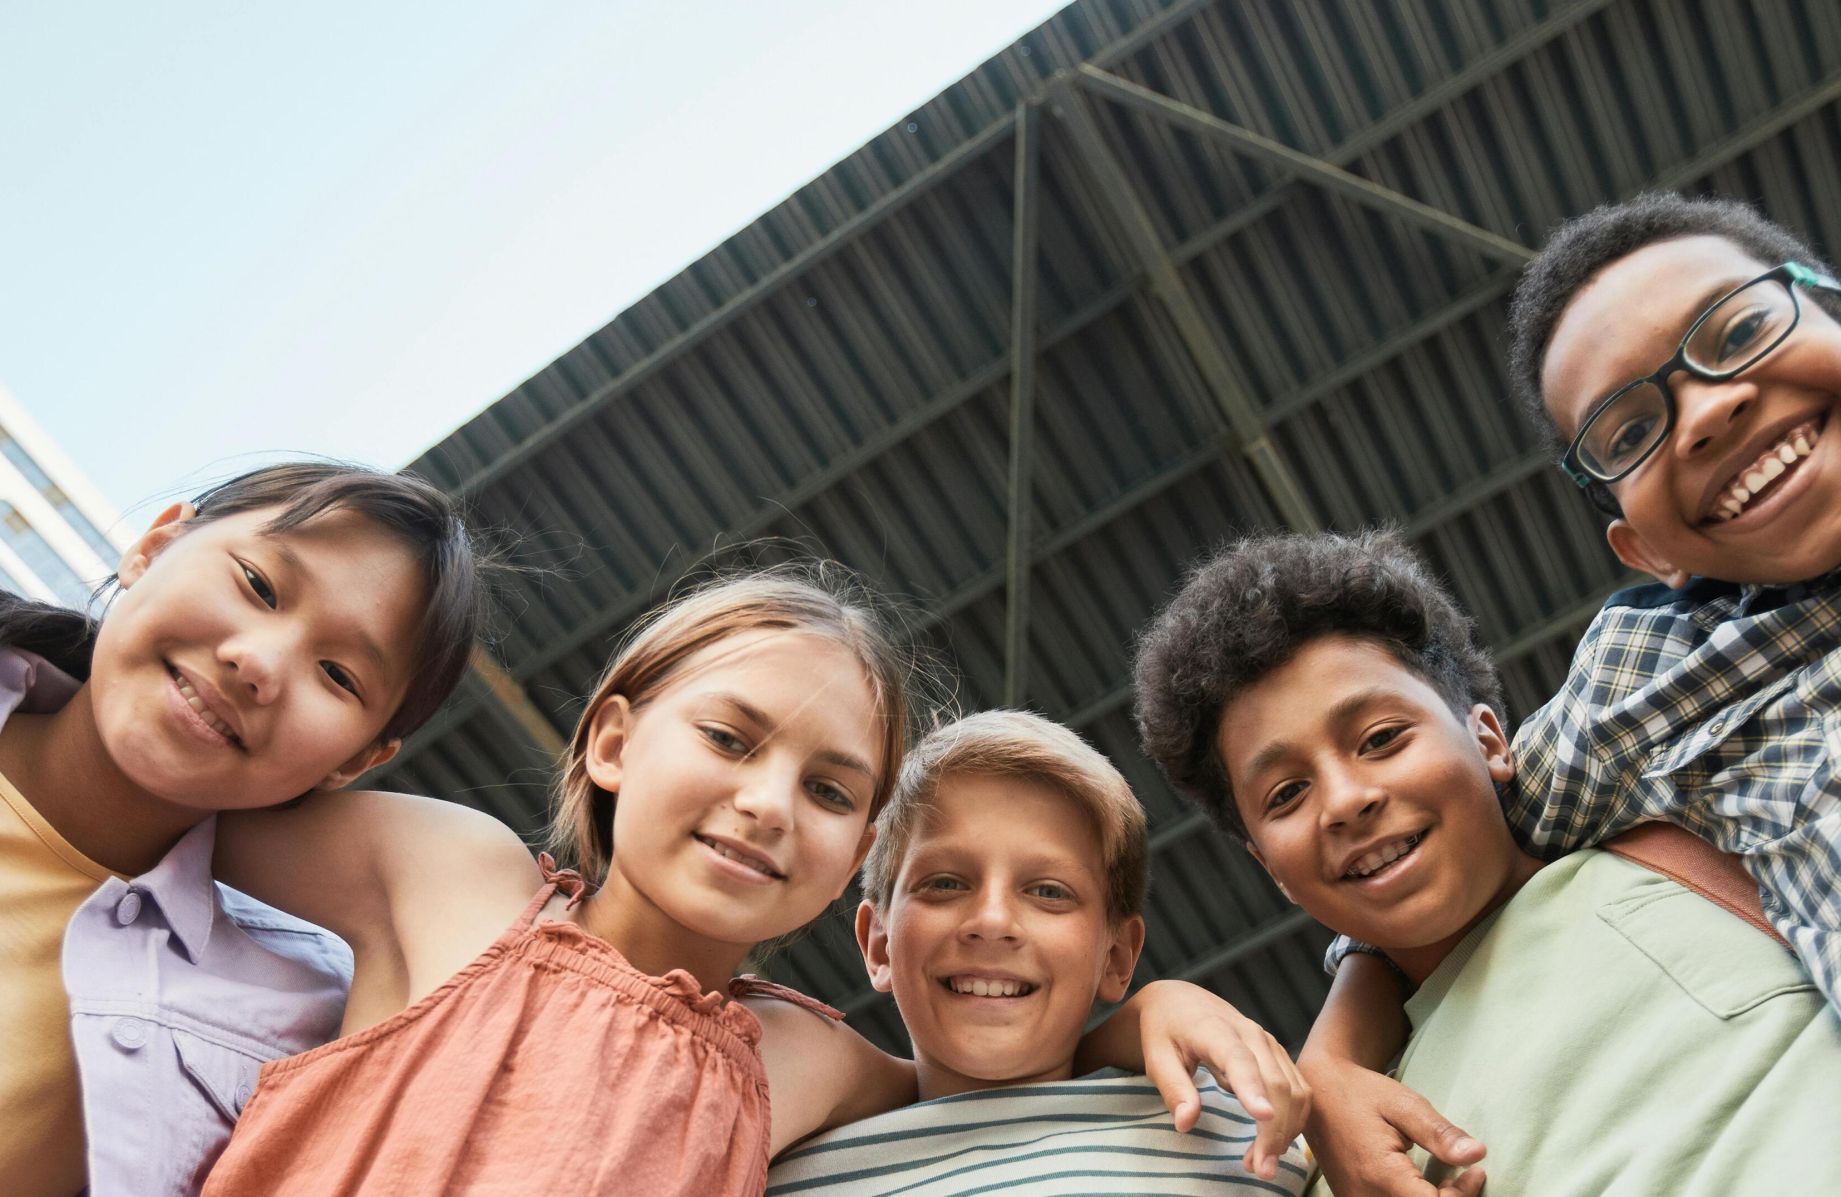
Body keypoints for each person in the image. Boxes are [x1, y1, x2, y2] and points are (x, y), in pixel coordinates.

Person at [201, 567, 1305, 1195]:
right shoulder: (455, 879)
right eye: (730, 739)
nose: (771, 804)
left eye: (831, 793)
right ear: (615, 743)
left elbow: (994, 1053)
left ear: (850, 871)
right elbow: (167, 800)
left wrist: (1156, 1007)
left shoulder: (800, 1058)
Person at [1297, 191, 1841, 1197]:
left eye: (1742, 330)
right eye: (1630, 429)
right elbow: (1430, 846)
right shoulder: (1648, 678)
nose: (1711, 410)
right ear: (1644, 547)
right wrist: (1328, 1067)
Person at [1132, 529, 1841, 1196]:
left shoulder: (1697, 829)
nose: (1346, 800)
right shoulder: (1353, 1153)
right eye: (1288, 791)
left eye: (1383, 737)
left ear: (1489, 740)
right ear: (1273, 872)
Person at [0, 461, 487, 1196]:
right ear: (156, 546)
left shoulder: (285, 1027)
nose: (256, 662)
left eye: (338, 674)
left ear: (357, 758)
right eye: (259, 585)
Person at [767, 709, 1312, 1195]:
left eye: (1049, 892)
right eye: (945, 884)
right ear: (878, 944)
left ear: (1117, 958)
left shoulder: (1241, 1136)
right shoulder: (772, 1159)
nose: (993, 922)